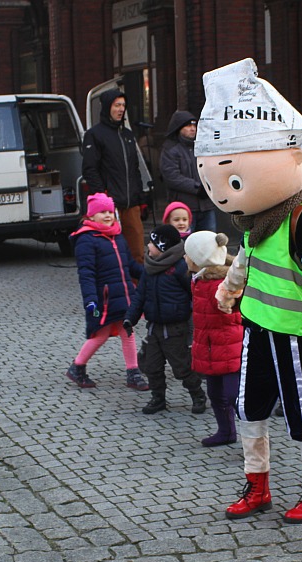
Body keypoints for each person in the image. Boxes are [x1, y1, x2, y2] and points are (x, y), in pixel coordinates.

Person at [196, 58, 302, 524]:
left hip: (295, 330)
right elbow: (247, 260)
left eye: (233, 180)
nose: (227, 194)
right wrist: (228, 292)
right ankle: (257, 485)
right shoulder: (257, 221)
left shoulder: (299, 218)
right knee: (248, 407)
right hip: (256, 325)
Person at [66, 192, 148, 391]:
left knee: (127, 331)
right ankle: (77, 366)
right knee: (100, 335)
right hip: (103, 300)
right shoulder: (86, 240)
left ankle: (133, 371)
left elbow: (129, 264)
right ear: (91, 216)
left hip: (124, 295)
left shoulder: (117, 235)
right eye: (102, 212)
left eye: (110, 212)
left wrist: (149, 274)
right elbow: (86, 274)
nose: (108, 216)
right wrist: (91, 300)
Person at [124, 224, 205, 415]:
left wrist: (197, 317)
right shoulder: (149, 268)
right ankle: (158, 398)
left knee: (182, 367)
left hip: (176, 328)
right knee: (152, 366)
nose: (148, 246)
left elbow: (194, 293)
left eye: (152, 243)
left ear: (163, 246)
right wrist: (130, 318)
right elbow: (139, 296)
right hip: (154, 327)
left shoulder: (180, 267)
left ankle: (198, 395)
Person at [184, 231, 242, 445]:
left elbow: (236, 308)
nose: (184, 258)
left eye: (187, 254)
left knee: (234, 396)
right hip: (211, 347)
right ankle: (226, 432)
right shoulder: (198, 279)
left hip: (229, 348)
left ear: (199, 259)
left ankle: (255, 439)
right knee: (215, 393)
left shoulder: (224, 284)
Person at [82, 91, 147, 263]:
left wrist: (141, 198)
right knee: (111, 253)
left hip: (131, 202)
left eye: (123, 106)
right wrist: (102, 197)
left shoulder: (127, 135)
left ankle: (136, 287)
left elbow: (134, 168)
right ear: (107, 107)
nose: (120, 109)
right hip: (109, 205)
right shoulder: (95, 134)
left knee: (137, 251)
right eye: (116, 105)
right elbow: (90, 169)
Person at [160, 111, 216, 232]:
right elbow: (172, 177)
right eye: (188, 126)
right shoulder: (171, 149)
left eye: (194, 125)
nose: (192, 129)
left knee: (209, 243)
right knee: (185, 245)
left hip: (206, 205)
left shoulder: (202, 146)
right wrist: (197, 188)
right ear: (179, 128)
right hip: (183, 207)